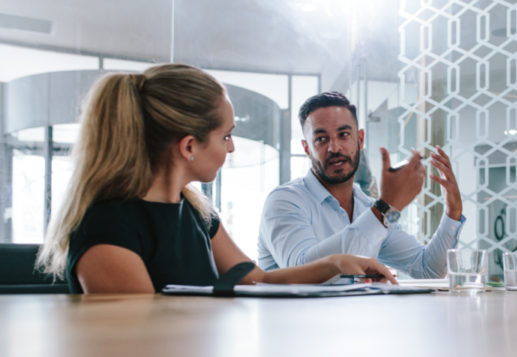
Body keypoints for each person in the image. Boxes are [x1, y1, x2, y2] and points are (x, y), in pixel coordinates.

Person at [37, 64, 395, 293]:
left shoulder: (196, 213)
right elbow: (146, 342)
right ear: (189, 146)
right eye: (226, 136)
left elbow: (259, 279)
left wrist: (336, 263)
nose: (232, 148)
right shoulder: (107, 231)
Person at [257, 92, 465, 278]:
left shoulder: (368, 208)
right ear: (307, 148)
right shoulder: (285, 201)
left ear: (360, 139)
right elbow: (301, 271)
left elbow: (427, 270)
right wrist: (386, 207)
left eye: (344, 135)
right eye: (321, 139)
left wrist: (452, 213)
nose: (334, 147)